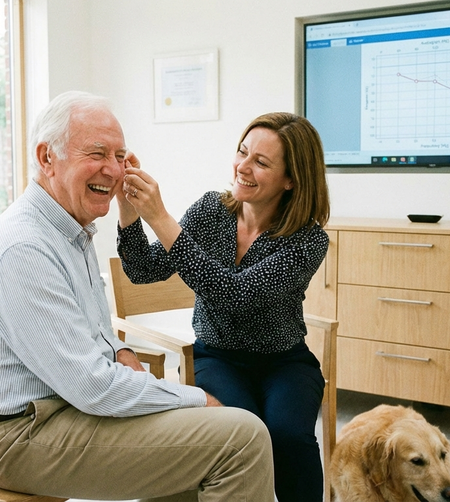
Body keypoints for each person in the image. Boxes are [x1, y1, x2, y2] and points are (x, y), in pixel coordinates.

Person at [0, 91, 274, 502]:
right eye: (97, 153)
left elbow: (83, 333)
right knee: (241, 436)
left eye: (120, 156)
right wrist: (197, 398)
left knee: (204, 432)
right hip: (15, 436)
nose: (113, 169)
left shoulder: (69, 226)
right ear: (47, 158)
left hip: (64, 407)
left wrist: (118, 349)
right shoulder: (23, 248)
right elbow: (93, 387)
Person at [117, 112, 331, 502]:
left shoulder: (308, 240)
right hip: (217, 357)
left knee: (288, 437)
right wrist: (129, 209)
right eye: (242, 152)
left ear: (291, 179)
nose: (242, 167)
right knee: (243, 432)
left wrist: (162, 219)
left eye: (261, 162)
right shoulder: (211, 210)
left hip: (285, 361)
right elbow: (144, 269)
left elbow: (236, 296)